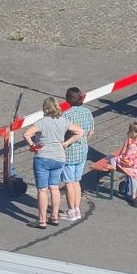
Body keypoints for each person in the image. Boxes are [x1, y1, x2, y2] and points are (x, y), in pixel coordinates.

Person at [23, 98, 84, 228]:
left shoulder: (42, 122)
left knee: (42, 190)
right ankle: (55, 216)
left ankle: (42, 220)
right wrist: (66, 143)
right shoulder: (63, 121)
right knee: (54, 187)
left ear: (45, 108)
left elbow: (26, 134)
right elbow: (80, 132)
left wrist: (33, 146)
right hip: (59, 158)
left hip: (43, 157)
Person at [61, 87, 94, 222]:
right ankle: (77, 209)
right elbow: (91, 131)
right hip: (82, 151)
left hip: (69, 152)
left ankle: (71, 210)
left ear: (68, 99)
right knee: (76, 181)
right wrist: (84, 141)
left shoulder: (66, 115)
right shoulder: (87, 112)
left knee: (69, 183)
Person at [109, 122, 137, 208]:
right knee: (134, 177)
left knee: (112, 159)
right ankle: (134, 195)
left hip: (127, 162)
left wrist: (121, 156)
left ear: (130, 132)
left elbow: (122, 152)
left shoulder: (129, 141)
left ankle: (113, 166)